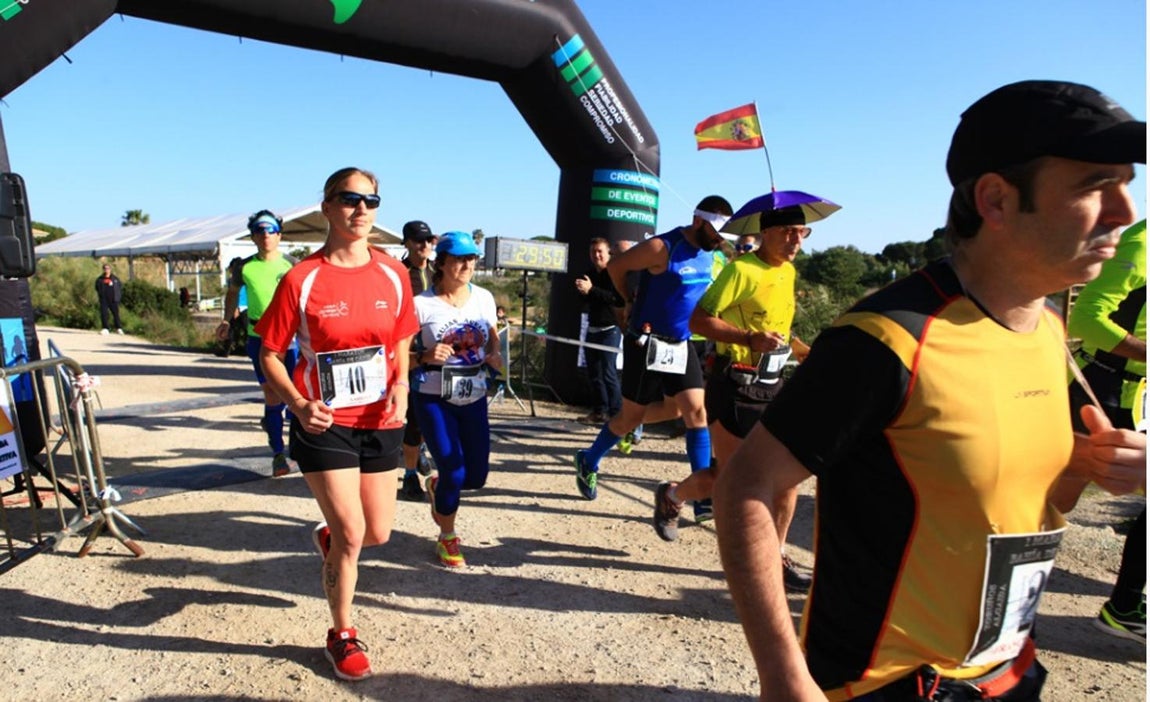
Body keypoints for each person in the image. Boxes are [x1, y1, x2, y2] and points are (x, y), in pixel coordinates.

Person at [714, 80, 1147, 701]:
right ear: (996, 199)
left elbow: (1023, 507)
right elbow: (747, 485)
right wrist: (784, 676)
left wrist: (1090, 465)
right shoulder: (886, 338)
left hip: (1011, 672)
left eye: (1127, 184)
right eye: (1094, 186)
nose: (1126, 211)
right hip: (890, 686)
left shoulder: (1049, 326)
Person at [255, 167, 418, 682]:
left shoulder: (395, 272)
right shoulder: (302, 279)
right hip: (325, 423)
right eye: (350, 199)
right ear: (327, 206)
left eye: (371, 200)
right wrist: (300, 405)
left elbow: (401, 337)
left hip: (381, 418)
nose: (362, 209)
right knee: (353, 534)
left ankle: (330, 539)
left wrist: (402, 383)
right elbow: (271, 355)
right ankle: (341, 634)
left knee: (378, 533)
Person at [658, 205, 814, 591]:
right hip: (735, 383)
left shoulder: (788, 271)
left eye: (802, 233)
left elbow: (774, 325)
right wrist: (747, 340)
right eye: (789, 232)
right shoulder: (741, 270)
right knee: (731, 478)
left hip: (773, 383)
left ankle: (774, 557)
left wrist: (795, 347)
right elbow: (698, 320)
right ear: (767, 232)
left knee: (788, 477)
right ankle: (673, 496)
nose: (796, 240)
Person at [573, 196, 733, 528]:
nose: (718, 239)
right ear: (698, 221)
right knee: (631, 418)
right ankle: (588, 460)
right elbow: (617, 267)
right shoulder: (662, 247)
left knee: (692, 412)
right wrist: (626, 300)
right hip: (646, 341)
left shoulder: (713, 254)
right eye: (715, 232)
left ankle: (702, 496)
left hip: (682, 342)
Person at [1067, 218, 1146, 643]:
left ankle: (1127, 605)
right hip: (1104, 388)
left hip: (1139, 392)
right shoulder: (1140, 245)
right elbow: (1086, 319)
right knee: (1051, 496)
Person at [411, 230, 503, 568]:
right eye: (458, 259)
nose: (465, 265)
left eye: (471, 259)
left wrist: (495, 357)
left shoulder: (483, 298)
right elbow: (398, 355)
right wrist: (424, 355)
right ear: (442, 263)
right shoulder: (421, 304)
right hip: (433, 395)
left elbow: (492, 341)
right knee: (453, 466)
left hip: (473, 394)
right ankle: (447, 537)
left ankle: (437, 487)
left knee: (475, 476)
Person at [217, 210, 298, 476]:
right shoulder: (244, 267)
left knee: (296, 394)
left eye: (271, 230)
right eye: (260, 231)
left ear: (279, 235)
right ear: (252, 236)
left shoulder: (292, 264)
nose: (266, 235)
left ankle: (293, 440)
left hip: (292, 340)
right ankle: (277, 453)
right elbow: (232, 295)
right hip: (260, 340)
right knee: (273, 395)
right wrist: (227, 321)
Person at [397, 219, 438, 502]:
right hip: (408, 353)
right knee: (412, 418)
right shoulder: (399, 273)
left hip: (435, 353)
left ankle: (419, 451)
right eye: (418, 240)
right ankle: (410, 476)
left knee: (429, 413)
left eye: (428, 240)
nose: (424, 245)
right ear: (407, 243)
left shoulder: (438, 272)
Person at [574, 237, 624, 425]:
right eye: (593, 252)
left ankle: (617, 413)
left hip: (610, 329)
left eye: (600, 251)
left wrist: (592, 289)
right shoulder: (588, 274)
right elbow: (588, 301)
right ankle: (599, 411)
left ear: (608, 253)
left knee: (608, 372)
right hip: (592, 328)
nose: (596, 255)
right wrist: (583, 291)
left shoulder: (614, 273)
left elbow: (615, 299)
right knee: (594, 373)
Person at [95, 263, 124, 335]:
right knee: (104, 314)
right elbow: (97, 287)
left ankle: (118, 328)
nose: (106, 270)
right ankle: (105, 328)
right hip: (104, 299)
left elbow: (119, 287)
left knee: (116, 314)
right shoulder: (100, 279)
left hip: (113, 299)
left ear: (110, 269)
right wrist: (101, 295)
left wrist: (118, 297)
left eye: (108, 268)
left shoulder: (115, 279)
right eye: (105, 268)